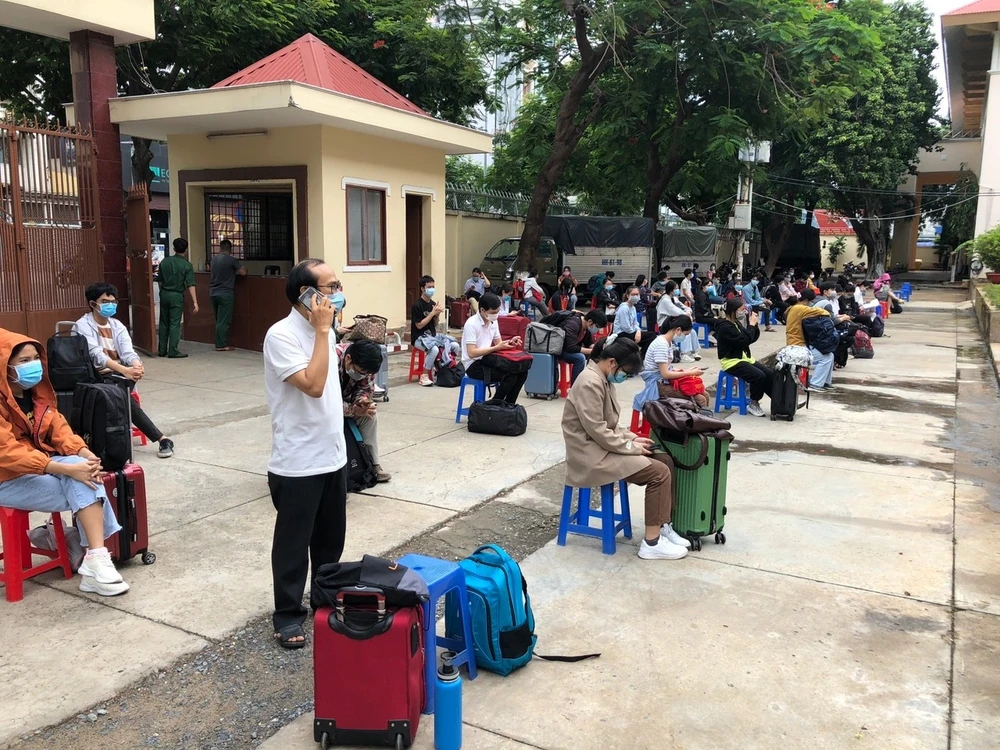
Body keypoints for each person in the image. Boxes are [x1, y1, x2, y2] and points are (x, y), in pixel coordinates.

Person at [0, 331, 128, 596]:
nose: (33, 365)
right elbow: (7, 452)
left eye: (36, 358)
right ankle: (91, 557)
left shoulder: (37, 394)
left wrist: (84, 454)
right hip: (6, 478)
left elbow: (60, 429)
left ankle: (94, 557)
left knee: (84, 473)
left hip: (39, 467)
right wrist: (67, 469)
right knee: (84, 484)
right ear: (5, 366)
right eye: (24, 361)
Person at [263, 259, 348, 649]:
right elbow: (312, 386)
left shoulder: (323, 331)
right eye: (331, 287)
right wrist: (323, 331)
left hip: (332, 453)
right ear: (307, 294)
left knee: (330, 540)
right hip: (298, 460)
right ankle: (287, 614)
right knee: (293, 544)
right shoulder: (281, 335)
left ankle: (324, 602)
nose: (337, 294)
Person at [561, 334, 689, 560]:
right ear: (612, 362)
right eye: (626, 372)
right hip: (591, 455)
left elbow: (611, 424)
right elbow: (598, 430)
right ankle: (651, 543)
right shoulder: (590, 383)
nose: (625, 377)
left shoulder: (603, 378)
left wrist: (633, 438)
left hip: (602, 447)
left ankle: (662, 525)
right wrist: (631, 446)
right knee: (659, 473)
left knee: (665, 459)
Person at [73, 283, 175, 459]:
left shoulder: (117, 325)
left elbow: (128, 352)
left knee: (120, 390)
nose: (110, 305)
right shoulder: (81, 326)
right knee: (121, 395)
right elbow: (96, 355)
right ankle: (161, 438)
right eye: (105, 301)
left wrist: (136, 366)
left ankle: (155, 439)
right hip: (95, 376)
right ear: (92, 304)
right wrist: (125, 371)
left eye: (113, 301)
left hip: (118, 375)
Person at [336, 339, 390, 483]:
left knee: (369, 416)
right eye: (361, 372)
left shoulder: (366, 368)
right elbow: (327, 402)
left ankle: (372, 465)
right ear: (348, 359)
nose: (363, 375)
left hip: (344, 401)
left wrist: (362, 402)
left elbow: (364, 388)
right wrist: (352, 411)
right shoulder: (331, 359)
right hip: (319, 405)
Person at [462, 293, 527, 404]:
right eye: (493, 312)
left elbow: (499, 344)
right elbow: (471, 353)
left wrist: (510, 342)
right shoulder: (471, 324)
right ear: (482, 310)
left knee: (522, 372)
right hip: (473, 365)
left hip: (488, 359)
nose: (496, 315)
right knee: (509, 376)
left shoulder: (493, 322)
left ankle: (508, 405)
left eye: (497, 312)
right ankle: (494, 405)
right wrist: (496, 347)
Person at [635, 316, 709, 412]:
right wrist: (690, 373)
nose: (685, 337)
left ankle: (704, 419)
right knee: (700, 399)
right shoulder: (661, 345)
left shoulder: (668, 343)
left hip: (664, 381)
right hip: (658, 385)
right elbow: (665, 374)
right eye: (685, 334)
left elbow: (667, 368)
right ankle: (698, 420)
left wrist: (688, 370)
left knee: (705, 394)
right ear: (678, 330)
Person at [714, 298, 773, 418]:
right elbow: (744, 340)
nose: (744, 312)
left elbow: (749, 338)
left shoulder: (736, 323)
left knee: (769, 374)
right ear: (733, 311)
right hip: (731, 361)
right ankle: (754, 403)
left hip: (743, 358)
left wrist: (754, 325)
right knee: (759, 376)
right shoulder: (725, 327)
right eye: (742, 310)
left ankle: (779, 401)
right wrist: (751, 325)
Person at [411, 275, 461, 387]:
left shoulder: (432, 304)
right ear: (422, 288)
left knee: (455, 346)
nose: (432, 289)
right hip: (419, 338)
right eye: (429, 287)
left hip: (432, 336)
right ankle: (424, 375)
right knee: (434, 349)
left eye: (433, 287)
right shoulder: (417, 305)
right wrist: (432, 313)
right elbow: (419, 326)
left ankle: (447, 368)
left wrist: (437, 315)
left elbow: (435, 324)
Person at [157, 237, 199, 359]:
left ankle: (162, 350)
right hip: (176, 295)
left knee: (163, 322)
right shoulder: (187, 265)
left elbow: (159, 280)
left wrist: (162, 291)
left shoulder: (164, 261)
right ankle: (173, 351)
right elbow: (191, 284)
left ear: (174, 248)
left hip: (164, 293)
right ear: (186, 250)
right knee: (175, 323)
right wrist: (195, 302)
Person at [786, 288, 834, 392]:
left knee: (830, 355)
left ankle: (825, 382)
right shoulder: (800, 308)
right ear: (807, 300)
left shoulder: (795, 308)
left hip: (799, 344)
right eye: (811, 302)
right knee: (826, 358)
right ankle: (815, 384)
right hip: (797, 346)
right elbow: (823, 312)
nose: (811, 304)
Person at [209, 239, 247, 351]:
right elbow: (243, 272)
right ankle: (221, 345)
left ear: (220, 248)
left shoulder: (213, 260)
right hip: (226, 294)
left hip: (213, 293)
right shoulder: (232, 260)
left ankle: (220, 343)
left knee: (218, 320)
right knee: (223, 321)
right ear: (230, 249)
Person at [655, 281, 702, 362]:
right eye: (676, 288)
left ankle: (694, 351)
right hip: (664, 324)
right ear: (671, 290)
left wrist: (688, 311)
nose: (677, 290)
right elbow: (675, 311)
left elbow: (684, 307)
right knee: (684, 330)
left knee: (692, 331)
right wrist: (686, 314)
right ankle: (684, 354)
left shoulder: (674, 299)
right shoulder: (665, 300)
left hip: (673, 322)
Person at [556, 309, 607, 383]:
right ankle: (576, 385)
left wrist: (597, 348)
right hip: (560, 350)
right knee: (580, 358)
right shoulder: (573, 324)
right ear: (590, 322)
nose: (597, 330)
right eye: (597, 327)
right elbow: (570, 347)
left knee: (596, 356)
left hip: (570, 349)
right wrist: (592, 351)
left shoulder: (586, 328)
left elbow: (589, 343)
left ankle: (593, 381)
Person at [612, 286, 657, 357]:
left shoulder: (633, 307)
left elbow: (636, 323)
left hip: (631, 332)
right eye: (633, 294)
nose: (635, 296)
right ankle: (640, 357)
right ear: (627, 295)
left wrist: (638, 331)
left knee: (650, 337)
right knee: (651, 336)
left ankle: (640, 356)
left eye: (637, 294)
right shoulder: (624, 308)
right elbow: (626, 327)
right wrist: (636, 333)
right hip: (622, 334)